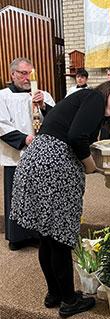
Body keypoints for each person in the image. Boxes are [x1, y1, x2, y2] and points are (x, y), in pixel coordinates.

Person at [9, 80, 110, 318]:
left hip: (36, 161)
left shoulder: (82, 99)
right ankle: (68, 300)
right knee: (60, 239)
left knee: (47, 236)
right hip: (55, 166)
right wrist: (90, 166)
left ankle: (54, 293)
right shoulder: (94, 97)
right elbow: (77, 137)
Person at [0, 57, 55, 251]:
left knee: (38, 195)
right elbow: (1, 124)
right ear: (12, 74)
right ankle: (17, 238)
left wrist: (43, 107)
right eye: (23, 73)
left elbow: (57, 120)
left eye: (30, 73)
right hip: (16, 155)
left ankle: (37, 234)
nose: (27, 77)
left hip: (39, 155)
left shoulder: (42, 95)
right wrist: (24, 139)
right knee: (16, 196)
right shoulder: (3, 96)